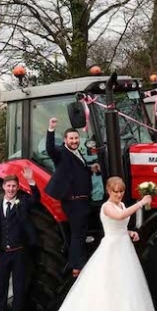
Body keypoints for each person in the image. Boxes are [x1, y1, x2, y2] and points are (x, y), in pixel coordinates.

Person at [0, 177, 157, 311]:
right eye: (115, 191)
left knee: (127, 289)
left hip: (123, 248)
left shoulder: (122, 204)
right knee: (109, 288)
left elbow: (121, 225)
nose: (118, 194)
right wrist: (141, 203)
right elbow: (118, 217)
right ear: (108, 190)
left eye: (121, 191)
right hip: (111, 250)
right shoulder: (108, 207)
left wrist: (130, 233)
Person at [44, 117, 101, 277]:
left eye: (76, 138)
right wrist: (51, 129)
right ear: (65, 140)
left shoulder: (77, 152)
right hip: (73, 201)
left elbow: (76, 172)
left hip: (83, 200)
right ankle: (77, 266)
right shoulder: (62, 152)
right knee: (77, 234)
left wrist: (91, 169)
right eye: (71, 138)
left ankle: (79, 263)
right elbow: (50, 149)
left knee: (81, 233)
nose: (74, 141)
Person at [0, 167, 40, 311]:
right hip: (2, 254)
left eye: (14, 186)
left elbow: (36, 199)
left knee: (19, 287)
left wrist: (31, 181)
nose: (11, 189)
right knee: (1, 288)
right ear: (3, 187)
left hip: (19, 252)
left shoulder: (23, 202)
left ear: (17, 188)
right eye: (8, 186)